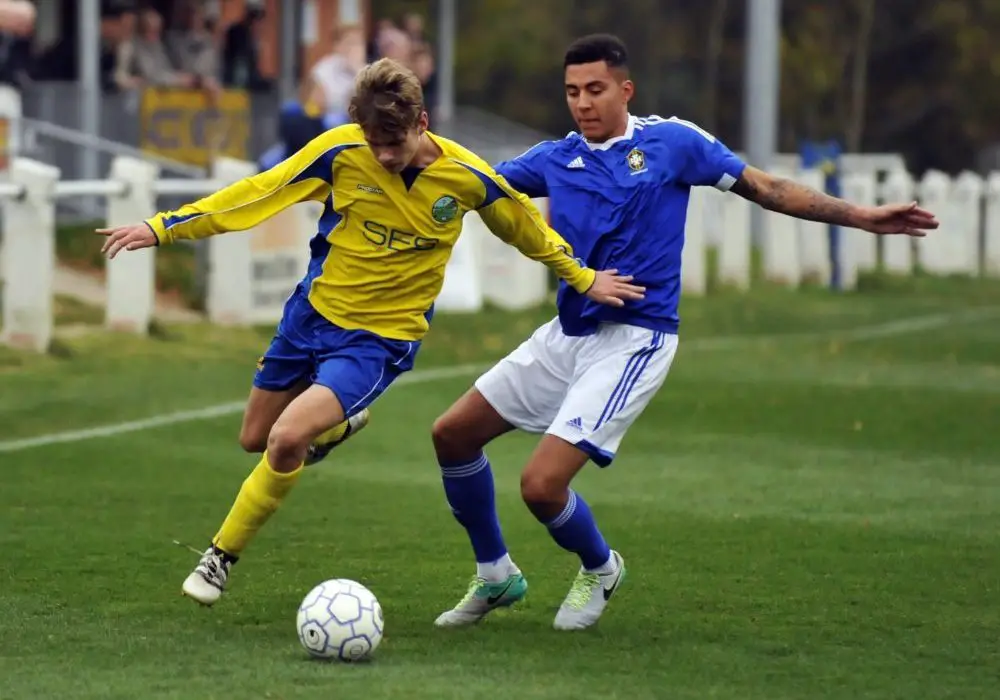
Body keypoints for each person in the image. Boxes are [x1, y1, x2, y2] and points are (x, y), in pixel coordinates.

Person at [428, 34, 939, 631]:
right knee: (452, 436)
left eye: (595, 89)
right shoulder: (554, 159)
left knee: (541, 487)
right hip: (567, 334)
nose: (583, 103)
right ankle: (496, 575)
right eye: (572, 92)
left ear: (626, 89)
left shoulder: (672, 143)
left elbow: (767, 188)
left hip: (635, 340)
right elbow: (471, 183)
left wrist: (859, 216)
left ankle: (600, 566)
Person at [97, 57, 643, 607]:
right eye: (373, 143)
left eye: (394, 143)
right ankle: (337, 427)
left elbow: (527, 229)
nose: (382, 155)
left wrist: (584, 277)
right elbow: (257, 194)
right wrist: (162, 227)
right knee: (256, 440)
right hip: (309, 317)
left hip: (378, 340)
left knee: (287, 439)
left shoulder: (466, 177)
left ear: (423, 122)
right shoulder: (339, 152)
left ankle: (219, 558)